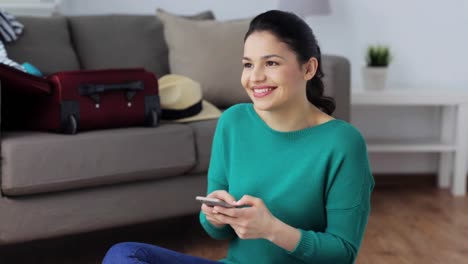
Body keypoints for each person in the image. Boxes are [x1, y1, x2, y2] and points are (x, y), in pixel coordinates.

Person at [102, 9, 374, 264]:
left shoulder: (343, 143)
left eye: (271, 63)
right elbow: (216, 232)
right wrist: (216, 217)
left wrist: (271, 229)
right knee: (125, 254)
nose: (255, 77)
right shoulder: (233, 122)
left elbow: (343, 253)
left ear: (308, 68)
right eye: (247, 64)